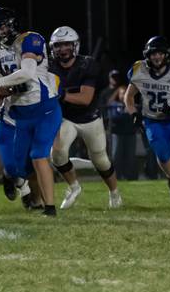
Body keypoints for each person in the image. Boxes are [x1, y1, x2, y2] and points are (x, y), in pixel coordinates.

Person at [0, 7, 62, 217]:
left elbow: (27, 72)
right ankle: (15, 182)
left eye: (7, 25)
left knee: (38, 155)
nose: (4, 31)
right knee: (18, 168)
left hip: (44, 108)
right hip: (18, 113)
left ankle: (49, 207)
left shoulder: (31, 39)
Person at [48, 26, 122, 209]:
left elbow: (85, 99)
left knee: (101, 160)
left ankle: (114, 193)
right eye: (58, 45)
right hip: (65, 118)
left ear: (75, 46)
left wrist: (60, 95)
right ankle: (74, 187)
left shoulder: (87, 64)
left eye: (66, 44)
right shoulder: (49, 66)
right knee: (56, 155)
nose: (62, 49)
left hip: (90, 118)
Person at [124, 36, 170, 198]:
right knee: (162, 152)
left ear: (166, 54)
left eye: (160, 53)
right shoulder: (139, 69)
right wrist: (134, 114)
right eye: (153, 54)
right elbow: (128, 97)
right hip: (152, 120)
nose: (157, 57)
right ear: (147, 55)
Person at [105, 71, 138, 180]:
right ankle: (116, 176)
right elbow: (113, 114)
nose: (123, 95)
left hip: (130, 133)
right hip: (117, 133)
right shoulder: (114, 105)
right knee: (116, 156)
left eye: (125, 93)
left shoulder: (132, 105)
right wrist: (117, 91)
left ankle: (130, 177)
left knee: (130, 156)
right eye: (121, 93)